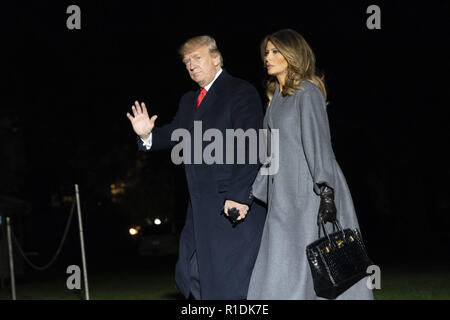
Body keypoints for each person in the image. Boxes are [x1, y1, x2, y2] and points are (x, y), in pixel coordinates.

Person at [126, 35, 266, 300]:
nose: (191, 65)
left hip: (231, 205)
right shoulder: (190, 101)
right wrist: (147, 135)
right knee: (191, 273)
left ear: (216, 58)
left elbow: (252, 146)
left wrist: (238, 195)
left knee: (229, 281)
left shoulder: (240, 91)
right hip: (200, 208)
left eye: (197, 57)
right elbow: (177, 133)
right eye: (186, 61)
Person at [247, 29, 374, 300]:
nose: (268, 57)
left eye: (275, 51)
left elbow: (319, 144)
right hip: (283, 194)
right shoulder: (275, 98)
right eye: (266, 52)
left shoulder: (307, 92)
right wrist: (252, 192)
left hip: (309, 191)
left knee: (314, 261)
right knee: (281, 260)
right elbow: (271, 154)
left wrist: (326, 193)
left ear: (293, 55)